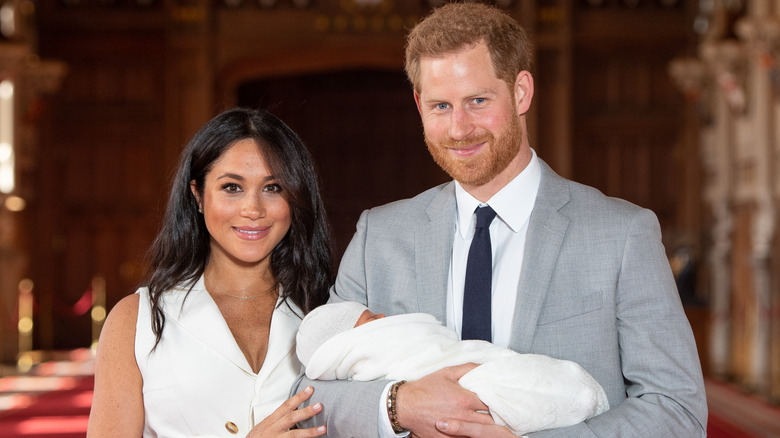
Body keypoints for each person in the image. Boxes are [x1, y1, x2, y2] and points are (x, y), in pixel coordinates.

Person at [298, 2, 708, 437]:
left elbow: (676, 408)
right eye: (440, 106)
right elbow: (313, 396)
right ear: (419, 104)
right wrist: (398, 406)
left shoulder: (622, 234)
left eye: (477, 101)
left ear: (521, 92)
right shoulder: (378, 237)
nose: (459, 128)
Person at [87, 108, 333, 437]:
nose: (253, 210)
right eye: (232, 187)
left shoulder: (326, 312)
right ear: (198, 195)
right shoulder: (136, 321)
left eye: (273, 188)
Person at [295, 301, 609, 436]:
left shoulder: (626, 228)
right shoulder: (372, 233)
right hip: (474, 380)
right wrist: (398, 404)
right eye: (371, 319)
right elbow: (309, 395)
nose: (383, 317)